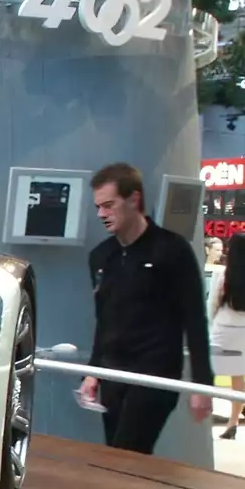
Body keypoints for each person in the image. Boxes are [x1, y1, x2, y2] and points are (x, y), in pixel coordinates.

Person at [79, 163, 214, 453]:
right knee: (118, 455)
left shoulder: (172, 250)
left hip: (154, 374)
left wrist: (203, 384)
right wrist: (93, 372)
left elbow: (195, 319)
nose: (101, 214)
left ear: (134, 199)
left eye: (109, 205)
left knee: (127, 453)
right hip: (114, 373)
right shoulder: (101, 257)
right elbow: (104, 321)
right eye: (98, 207)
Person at [210, 235, 245, 439]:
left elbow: (213, 303)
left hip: (223, 329)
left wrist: (211, 323)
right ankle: (233, 423)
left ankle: (202, 420)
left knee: (208, 374)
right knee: (238, 379)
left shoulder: (224, 274)